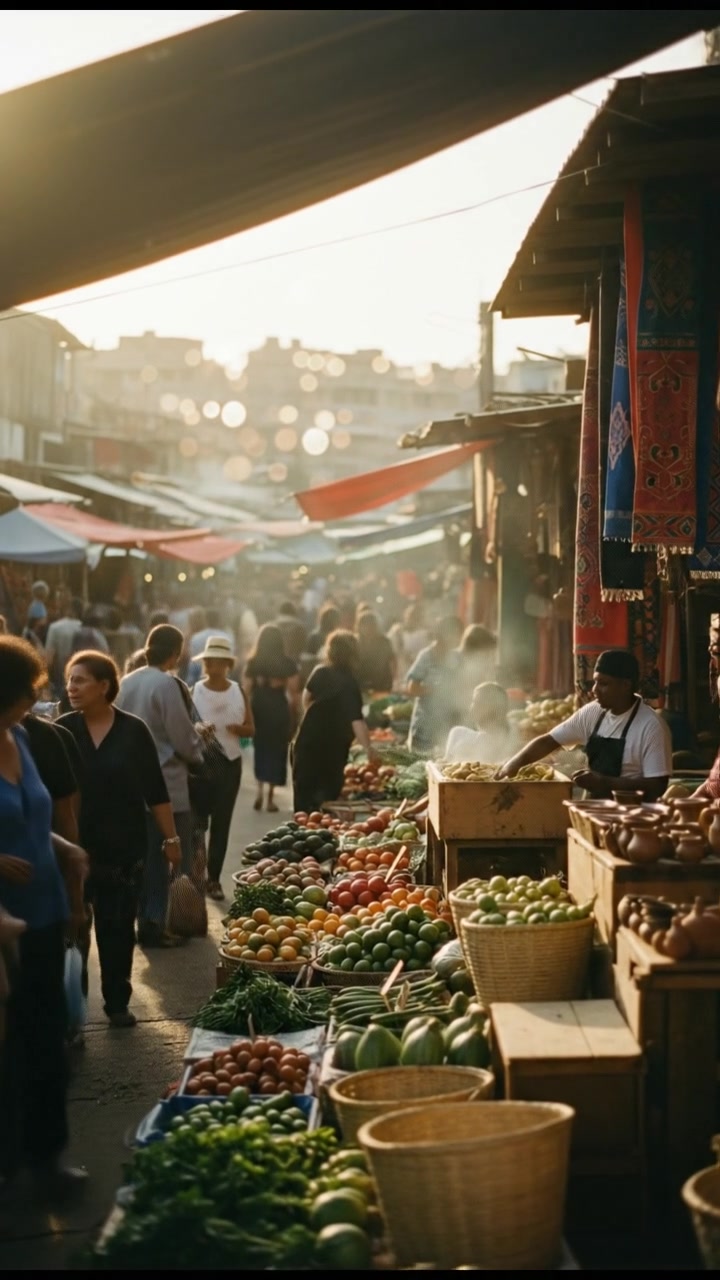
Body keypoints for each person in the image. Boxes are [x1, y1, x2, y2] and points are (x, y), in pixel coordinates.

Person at [0, 636, 88, 1195]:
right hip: (4, 928)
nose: (34, 701)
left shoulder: (20, 739)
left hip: (47, 910)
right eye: (25, 693)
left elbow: (33, 812)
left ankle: (46, 1160)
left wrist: (64, 847)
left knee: (48, 1040)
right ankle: (9, 1168)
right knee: (10, 1049)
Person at [59, 651, 181, 1025]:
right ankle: (73, 1013)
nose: (72, 687)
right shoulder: (63, 731)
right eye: (70, 680)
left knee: (117, 929)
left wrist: (171, 838)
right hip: (73, 847)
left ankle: (116, 1002)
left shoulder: (133, 731)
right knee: (75, 933)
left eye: (80, 680)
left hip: (124, 848)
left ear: (104, 686)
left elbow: (155, 790)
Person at [116, 625, 203, 947]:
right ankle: (156, 922)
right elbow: (182, 737)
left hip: (130, 783)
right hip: (167, 784)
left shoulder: (127, 681)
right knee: (167, 855)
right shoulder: (166, 684)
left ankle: (145, 918)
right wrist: (198, 754)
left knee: (144, 855)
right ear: (175, 653)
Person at [497, 648, 672, 800]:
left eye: (603, 684)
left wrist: (605, 783)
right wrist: (513, 765)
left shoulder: (651, 726)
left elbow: (657, 786)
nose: (594, 690)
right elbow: (549, 741)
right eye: (595, 681)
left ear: (625, 685)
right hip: (593, 808)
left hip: (632, 817)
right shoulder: (593, 712)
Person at [192, 636, 254, 900]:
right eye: (209, 661)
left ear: (228, 664)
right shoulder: (195, 691)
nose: (213, 666)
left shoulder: (237, 691)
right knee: (197, 824)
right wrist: (198, 731)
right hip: (200, 763)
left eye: (218, 662)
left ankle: (213, 879)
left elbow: (251, 731)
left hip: (229, 762)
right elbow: (184, 727)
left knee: (222, 823)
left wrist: (239, 731)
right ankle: (195, 877)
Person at [292, 630, 377, 814]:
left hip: (307, 743)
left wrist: (318, 718)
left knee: (303, 799)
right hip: (332, 751)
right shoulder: (350, 683)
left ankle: (300, 835)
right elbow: (357, 721)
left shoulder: (319, 672)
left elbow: (306, 700)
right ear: (353, 655)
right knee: (326, 802)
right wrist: (368, 748)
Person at [243, 624, 300, 812]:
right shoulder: (286, 663)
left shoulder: (254, 661)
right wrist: (296, 715)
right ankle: (270, 798)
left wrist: (246, 713)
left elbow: (246, 690)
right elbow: (294, 692)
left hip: (259, 707)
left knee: (261, 748)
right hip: (278, 707)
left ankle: (259, 790)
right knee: (277, 751)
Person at [405, 615, 464, 755]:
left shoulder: (456, 657)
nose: (458, 638)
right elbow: (412, 688)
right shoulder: (426, 656)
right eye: (455, 633)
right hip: (425, 729)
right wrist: (436, 690)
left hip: (447, 727)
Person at [444, 682, 515, 764]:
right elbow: (445, 763)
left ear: (495, 708)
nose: (472, 707)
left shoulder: (508, 739)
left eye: (478, 702)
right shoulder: (459, 733)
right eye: (474, 702)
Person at [455, 625, 497, 720]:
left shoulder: (478, 664)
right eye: (485, 651)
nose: (487, 656)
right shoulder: (453, 662)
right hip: (455, 718)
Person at [187, 608, 234, 687]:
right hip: (222, 674)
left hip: (198, 673)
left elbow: (192, 660)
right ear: (219, 621)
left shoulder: (196, 637)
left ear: (205, 620)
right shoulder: (227, 637)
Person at [45, 597, 82, 696]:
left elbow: (49, 658)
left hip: (60, 677)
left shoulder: (55, 627)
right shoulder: (84, 628)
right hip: (82, 676)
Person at [356, 610, 396, 694]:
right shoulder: (355, 642)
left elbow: (392, 660)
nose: (369, 629)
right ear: (359, 627)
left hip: (382, 684)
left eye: (371, 625)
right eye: (365, 625)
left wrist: (394, 678)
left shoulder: (384, 642)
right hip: (361, 685)